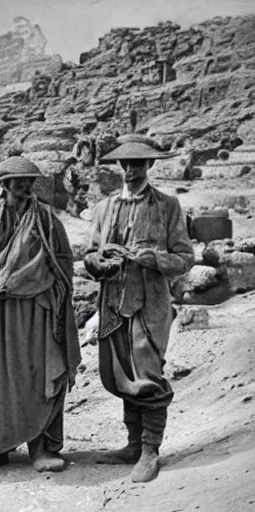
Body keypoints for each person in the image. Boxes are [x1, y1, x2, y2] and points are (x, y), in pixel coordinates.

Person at [0, 156, 81, 474]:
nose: (26, 187)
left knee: (40, 375)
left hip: (37, 314)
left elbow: (64, 264)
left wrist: (43, 281)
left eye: (30, 182)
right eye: (19, 182)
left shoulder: (48, 221)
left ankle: (43, 447)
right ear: (4, 184)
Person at [83, 136, 194, 483]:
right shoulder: (104, 207)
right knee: (120, 372)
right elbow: (88, 254)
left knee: (147, 373)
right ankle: (133, 444)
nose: (131, 170)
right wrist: (99, 263)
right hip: (113, 301)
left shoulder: (167, 206)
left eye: (138, 164)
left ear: (150, 166)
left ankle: (150, 450)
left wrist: (155, 259)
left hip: (150, 305)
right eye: (125, 164)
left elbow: (185, 258)